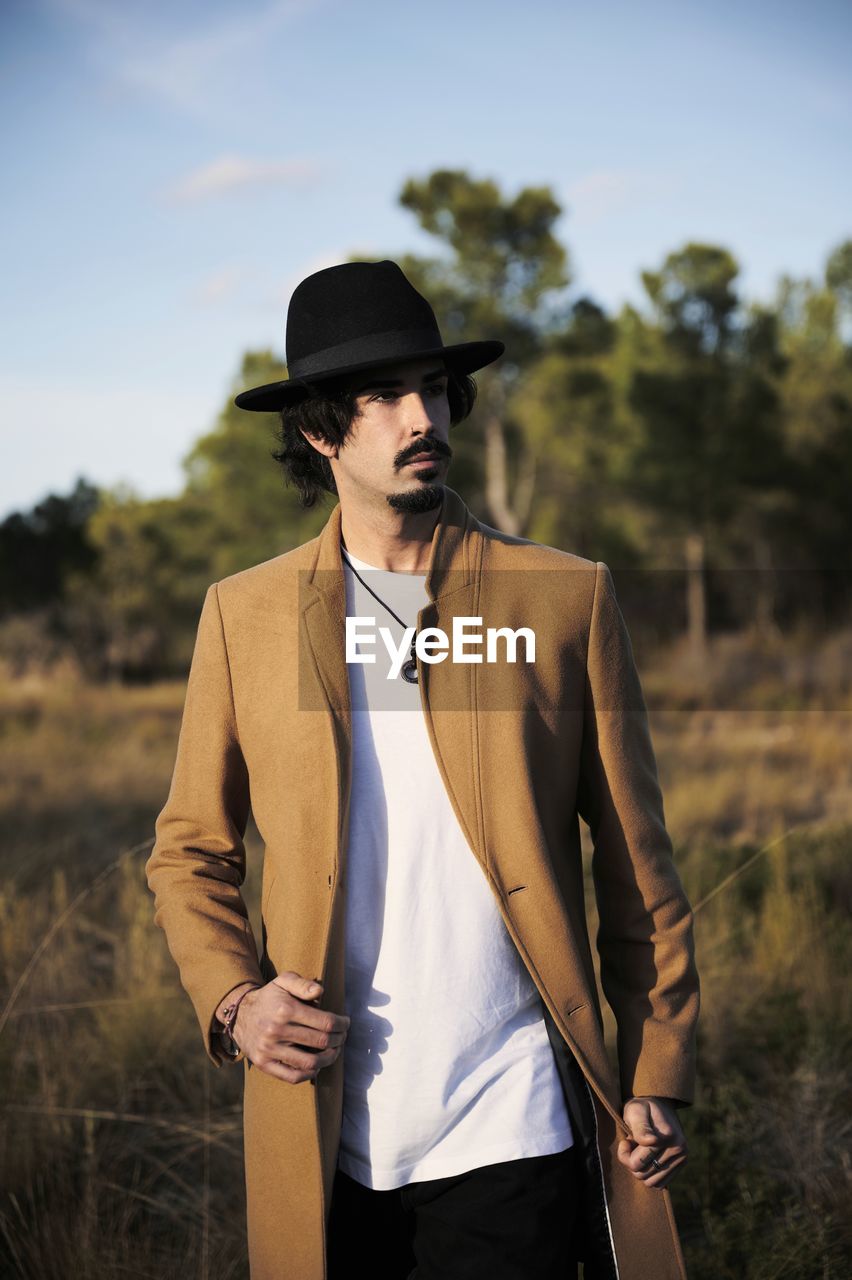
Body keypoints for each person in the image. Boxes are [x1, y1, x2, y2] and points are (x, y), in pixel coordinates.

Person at [145, 259, 700, 1280]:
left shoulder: (563, 599)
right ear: (320, 431)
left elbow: (638, 864)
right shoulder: (248, 615)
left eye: (435, 388)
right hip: (324, 1124)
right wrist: (237, 1001)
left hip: (511, 1120)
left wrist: (656, 1066)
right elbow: (188, 850)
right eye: (385, 396)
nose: (422, 415)